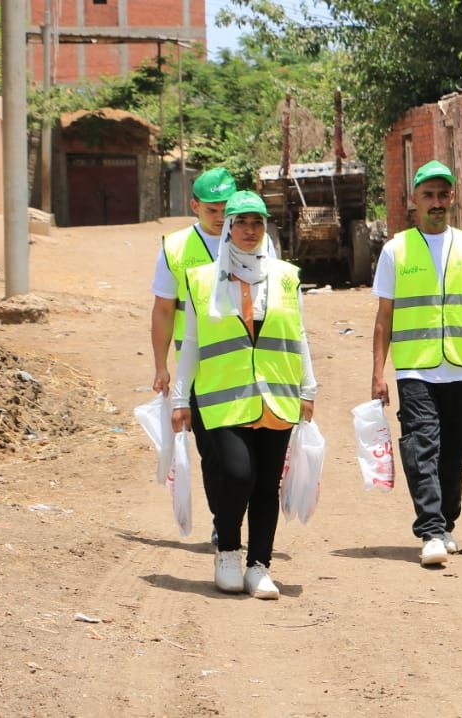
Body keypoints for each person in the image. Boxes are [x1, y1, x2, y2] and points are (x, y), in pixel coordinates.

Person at [171, 191, 317, 599]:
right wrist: (181, 400)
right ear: (228, 228)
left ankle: (259, 566)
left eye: (257, 222)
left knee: (266, 484)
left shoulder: (286, 275)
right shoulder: (201, 279)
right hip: (222, 396)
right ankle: (229, 553)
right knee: (237, 475)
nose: (249, 231)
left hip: (277, 393)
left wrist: (309, 387)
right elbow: (192, 343)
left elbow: (299, 332)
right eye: (241, 222)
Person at [370, 160, 462, 566]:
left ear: (451, 198)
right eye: (428, 195)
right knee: (421, 445)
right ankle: (429, 529)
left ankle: (446, 522)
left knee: (453, 452)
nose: (436, 202)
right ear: (414, 200)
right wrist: (378, 373)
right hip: (415, 367)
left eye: (442, 195)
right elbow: (384, 317)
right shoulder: (396, 249)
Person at [150, 167, 237, 546]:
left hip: (246, 365)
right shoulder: (175, 248)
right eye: (212, 210)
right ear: (195, 206)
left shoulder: (254, 238)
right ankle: (224, 520)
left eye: (226, 210)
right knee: (214, 452)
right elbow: (164, 310)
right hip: (198, 368)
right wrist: (161, 367)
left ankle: (235, 515)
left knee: (248, 452)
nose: (221, 219)